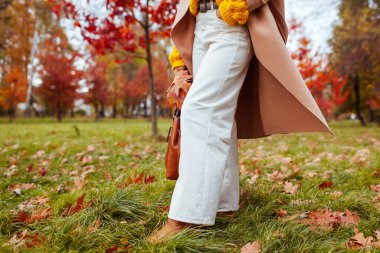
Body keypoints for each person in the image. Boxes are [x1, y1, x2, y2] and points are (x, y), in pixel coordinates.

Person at [147, 0, 334, 244]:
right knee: (220, 114)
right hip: (199, 26)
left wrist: (243, 3)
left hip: (232, 25)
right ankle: (222, 202)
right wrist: (180, 51)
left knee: (201, 109)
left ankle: (186, 216)